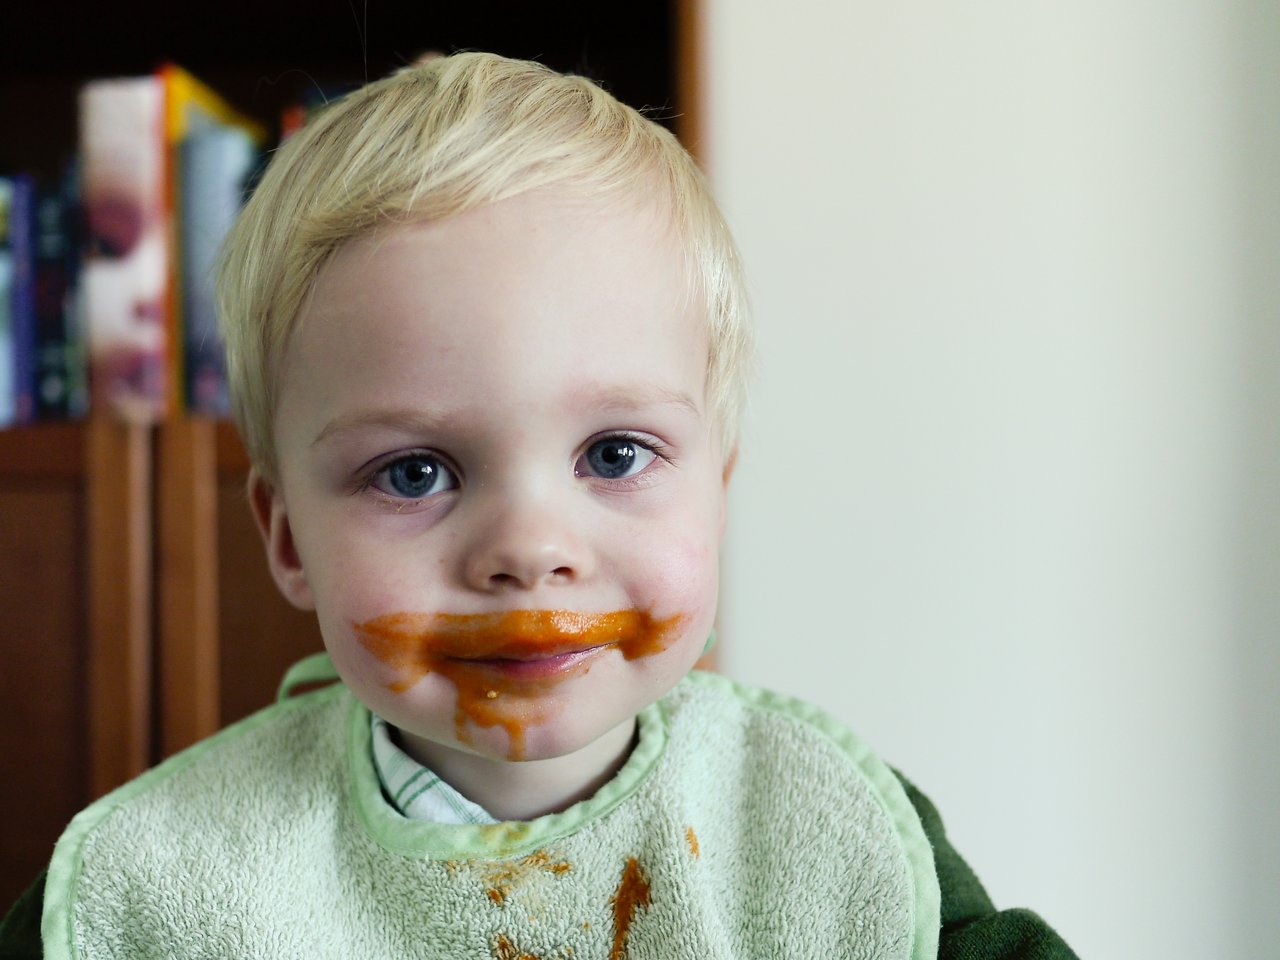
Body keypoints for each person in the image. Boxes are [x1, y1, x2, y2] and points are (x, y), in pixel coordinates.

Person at [0, 52, 1078, 958]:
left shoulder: (811, 822)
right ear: (285, 537)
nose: (528, 549)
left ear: (716, 492)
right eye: (415, 472)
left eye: (613, 454)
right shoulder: (165, 877)